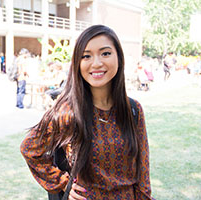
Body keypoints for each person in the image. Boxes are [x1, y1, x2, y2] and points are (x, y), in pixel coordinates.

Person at [20, 25, 153, 199]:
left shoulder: (133, 109)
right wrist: (62, 182)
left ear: (118, 57)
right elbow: (30, 148)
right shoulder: (67, 111)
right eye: (86, 56)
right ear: (78, 63)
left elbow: (143, 172)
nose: (96, 63)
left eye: (105, 53)